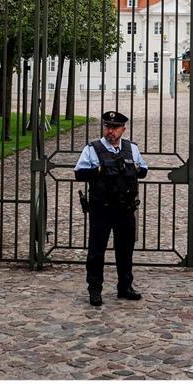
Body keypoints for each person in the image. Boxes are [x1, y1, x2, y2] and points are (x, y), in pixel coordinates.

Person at [74, 110, 148, 306]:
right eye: (107, 126)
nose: (110, 131)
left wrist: (131, 168)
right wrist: (99, 170)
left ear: (123, 129)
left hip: (126, 208)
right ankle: (95, 289)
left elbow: (143, 170)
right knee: (96, 251)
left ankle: (125, 286)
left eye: (115, 128)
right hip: (102, 208)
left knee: (125, 250)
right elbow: (79, 173)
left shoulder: (131, 148)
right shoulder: (93, 148)